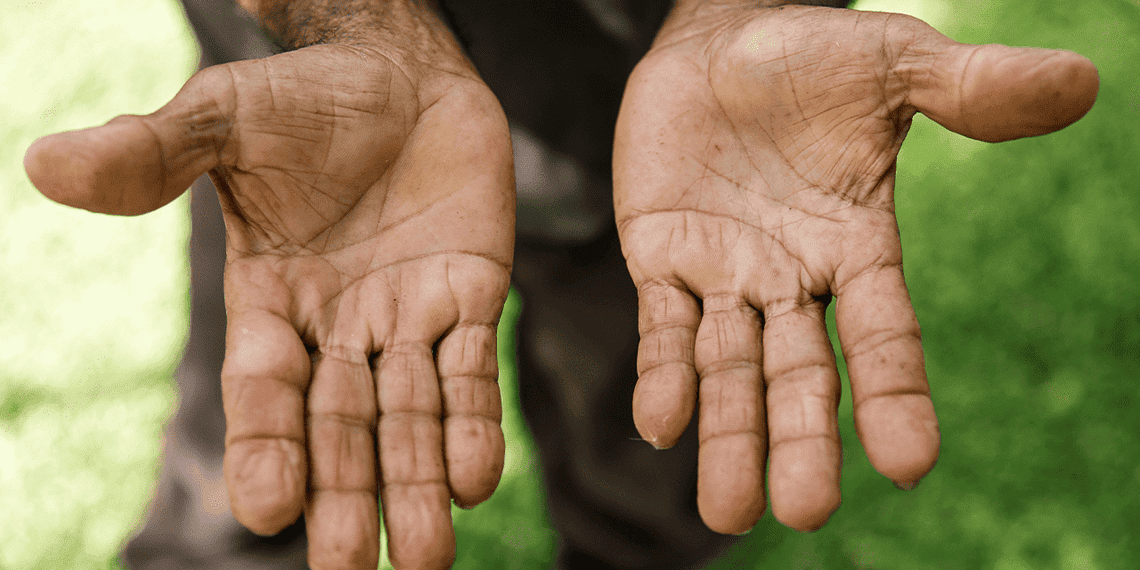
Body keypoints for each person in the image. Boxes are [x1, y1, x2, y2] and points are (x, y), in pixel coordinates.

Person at [23, 0, 1098, 568]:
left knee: (649, 443)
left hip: (668, 115)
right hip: (324, 133)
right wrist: (345, 15)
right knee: (281, 428)